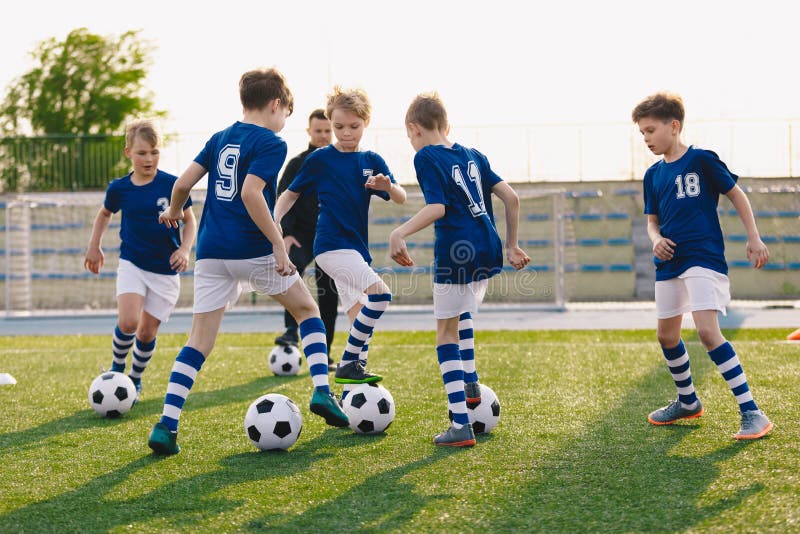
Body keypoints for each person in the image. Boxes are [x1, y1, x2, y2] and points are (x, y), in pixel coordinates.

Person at [147, 68, 349, 456]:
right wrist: (277, 243)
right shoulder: (271, 142)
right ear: (276, 105)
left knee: (199, 341)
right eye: (286, 113)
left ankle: (166, 425)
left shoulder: (219, 138)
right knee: (308, 310)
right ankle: (323, 391)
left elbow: (182, 185)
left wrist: (174, 210)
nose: (284, 121)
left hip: (210, 253)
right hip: (252, 250)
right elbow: (251, 193)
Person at [389, 92, 530, 447]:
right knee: (463, 313)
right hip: (489, 246)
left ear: (414, 128)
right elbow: (511, 197)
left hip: (456, 250)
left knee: (444, 333)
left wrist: (399, 231)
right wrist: (511, 245)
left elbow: (437, 207)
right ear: (446, 124)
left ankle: (460, 425)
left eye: (409, 136)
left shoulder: (425, 156)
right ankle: (470, 383)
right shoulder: (473, 154)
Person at [632, 92, 773, 440]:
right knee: (666, 336)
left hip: (703, 258)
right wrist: (655, 240)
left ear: (674, 126)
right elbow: (652, 222)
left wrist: (753, 237)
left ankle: (752, 411)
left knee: (708, 332)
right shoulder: (652, 175)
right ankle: (688, 402)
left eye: (651, 130)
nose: (647, 139)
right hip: (669, 262)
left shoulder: (702, 160)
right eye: (642, 134)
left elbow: (737, 195)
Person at [274, 86, 406, 395]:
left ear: (366, 122)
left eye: (353, 126)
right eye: (339, 127)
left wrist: (388, 186)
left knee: (359, 316)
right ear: (331, 124)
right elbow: (290, 193)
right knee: (381, 297)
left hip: (355, 250)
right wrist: (275, 220)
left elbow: (399, 197)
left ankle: (351, 389)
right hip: (331, 247)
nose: (346, 133)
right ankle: (348, 363)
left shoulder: (372, 160)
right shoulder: (320, 159)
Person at [84, 119, 197, 402]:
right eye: (142, 153)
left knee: (146, 333)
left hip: (165, 271)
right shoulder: (120, 188)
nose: (148, 159)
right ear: (128, 154)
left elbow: (191, 220)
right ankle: (116, 369)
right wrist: (94, 246)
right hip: (132, 263)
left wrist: (184, 249)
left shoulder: (173, 185)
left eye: (154, 152)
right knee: (129, 321)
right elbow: (104, 215)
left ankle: (134, 379)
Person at [274, 108, 339, 368]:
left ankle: (326, 351)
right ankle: (291, 331)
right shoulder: (297, 163)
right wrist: (287, 235)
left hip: (328, 236)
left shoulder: (340, 161)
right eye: (318, 131)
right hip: (300, 234)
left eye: (327, 131)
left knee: (328, 292)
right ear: (309, 131)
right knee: (292, 271)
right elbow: (282, 195)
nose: (323, 136)